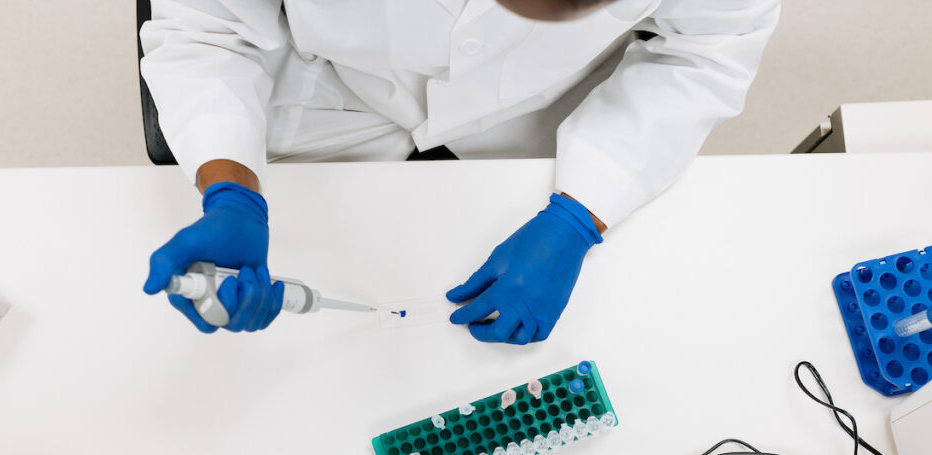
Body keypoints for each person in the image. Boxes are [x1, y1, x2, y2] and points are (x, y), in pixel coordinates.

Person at [140, 0, 779, 342]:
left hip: (526, 110)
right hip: (327, 90)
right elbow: (206, 29)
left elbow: (704, 54)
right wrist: (230, 190)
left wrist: (582, 212)